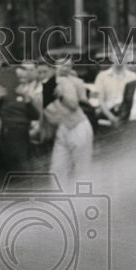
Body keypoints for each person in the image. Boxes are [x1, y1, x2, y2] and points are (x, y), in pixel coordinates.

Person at [44, 58, 94, 191]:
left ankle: (85, 205)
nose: (63, 68)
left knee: (82, 170)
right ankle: (62, 203)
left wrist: (61, 96)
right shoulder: (47, 84)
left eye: (67, 66)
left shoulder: (69, 82)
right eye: (61, 65)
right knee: (57, 169)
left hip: (78, 126)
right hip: (62, 129)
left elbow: (74, 105)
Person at [0, 64, 39, 182]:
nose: (22, 80)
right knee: (21, 166)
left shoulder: (24, 94)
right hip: (10, 131)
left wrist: (27, 101)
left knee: (24, 165)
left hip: (23, 132)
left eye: (24, 78)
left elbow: (35, 115)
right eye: (20, 78)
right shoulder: (2, 91)